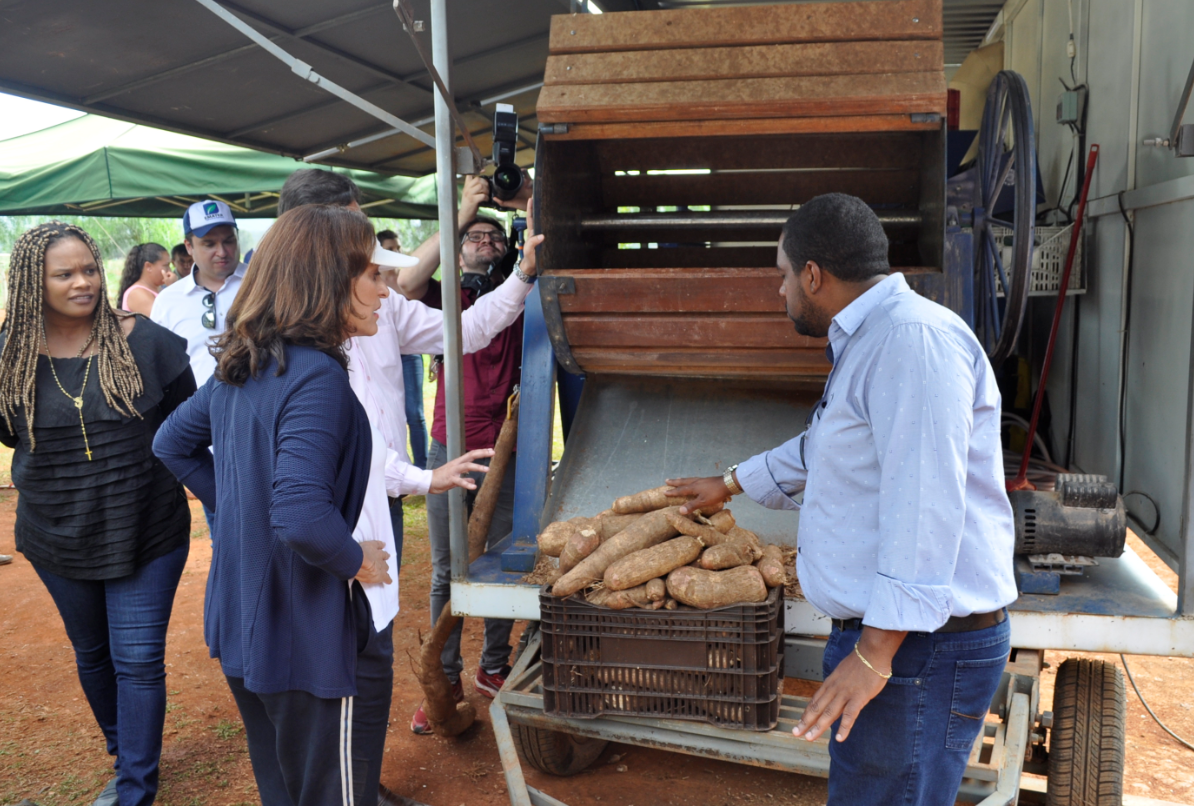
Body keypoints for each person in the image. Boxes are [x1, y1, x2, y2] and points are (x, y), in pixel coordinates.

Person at [667, 194, 1018, 806]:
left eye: (781, 276)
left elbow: (924, 503)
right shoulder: (874, 336)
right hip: (899, 644)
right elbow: (828, 443)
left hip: (917, 651)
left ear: (813, 275)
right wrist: (730, 483)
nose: (780, 292)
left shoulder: (911, 342)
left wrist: (876, 655)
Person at [275, 169, 543, 746]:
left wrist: (522, 274)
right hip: (323, 508)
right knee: (329, 641)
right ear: (317, 237)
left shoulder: (381, 305)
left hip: (384, 494)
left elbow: (464, 331)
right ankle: (341, 768)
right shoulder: (280, 335)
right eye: (358, 233)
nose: (377, 262)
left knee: (372, 634)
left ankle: (363, 768)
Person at [153, 205, 397, 806]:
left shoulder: (247, 362)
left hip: (244, 621)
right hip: (302, 635)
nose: (384, 289)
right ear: (328, 281)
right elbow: (301, 516)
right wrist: (356, 559)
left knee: (283, 791)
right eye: (371, 274)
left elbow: (171, 444)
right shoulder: (315, 376)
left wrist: (241, 505)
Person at [0, 221, 196, 806]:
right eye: (65, 274)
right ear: (34, 283)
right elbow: (12, 436)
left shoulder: (147, 342)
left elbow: (190, 421)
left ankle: (135, 788)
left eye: (89, 269)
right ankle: (125, 751)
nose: (84, 282)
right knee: (93, 655)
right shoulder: (9, 356)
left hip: (148, 524)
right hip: (56, 533)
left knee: (137, 661)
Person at [396, 174, 532, 731]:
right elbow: (405, 281)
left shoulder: (523, 290)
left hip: (508, 447)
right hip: (448, 444)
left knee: (503, 560)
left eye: (493, 237)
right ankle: (443, 679)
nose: (485, 242)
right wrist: (464, 208)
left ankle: (492, 666)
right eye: (473, 237)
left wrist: (523, 203)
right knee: (448, 569)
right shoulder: (441, 293)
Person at [150, 201, 244, 387]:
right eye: (209, 244)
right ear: (189, 247)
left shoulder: (264, 285)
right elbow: (157, 365)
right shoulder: (168, 301)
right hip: (194, 412)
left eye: (228, 241)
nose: (222, 252)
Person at [377, 230, 428, 470]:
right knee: (388, 411)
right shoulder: (375, 279)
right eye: (390, 248)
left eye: (398, 247)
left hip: (409, 355)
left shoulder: (407, 278)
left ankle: (422, 465)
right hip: (385, 353)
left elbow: (422, 319)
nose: (396, 252)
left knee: (415, 413)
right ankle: (398, 467)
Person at [117, 243, 171, 316]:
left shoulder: (159, 288)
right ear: (148, 267)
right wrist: (173, 287)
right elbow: (164, 321)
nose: (169, 270)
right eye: (166, 266)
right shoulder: (137, 293)